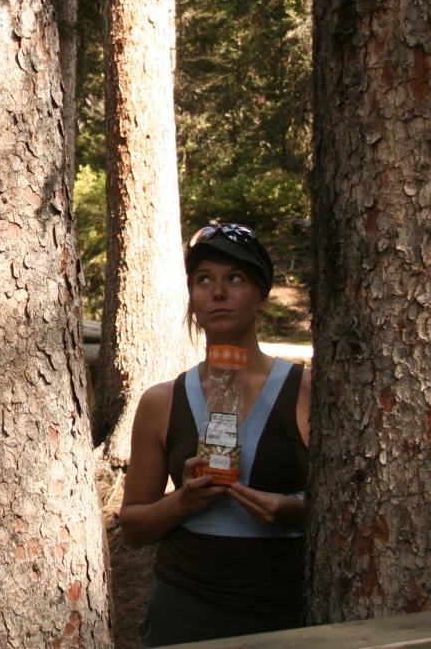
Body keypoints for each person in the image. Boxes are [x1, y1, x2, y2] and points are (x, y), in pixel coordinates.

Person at [119, 223, 312, 647]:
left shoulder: (306, 391)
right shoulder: (163, 401)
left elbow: (349, 510)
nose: (218, 292)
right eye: (203, 279)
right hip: (184, 611)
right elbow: (133, 528)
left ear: (261, 296)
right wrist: (181, 502)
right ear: (192, 298)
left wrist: (291, 510)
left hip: (283, 610)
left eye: (235, 278)